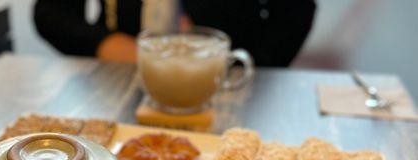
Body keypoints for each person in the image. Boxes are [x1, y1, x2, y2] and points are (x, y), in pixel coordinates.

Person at [34, 0, 316, 66]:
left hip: (227, 81)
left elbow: (295, 13)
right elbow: (50, 13)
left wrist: (248, 66)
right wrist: (105, 43)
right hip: (122, 78)